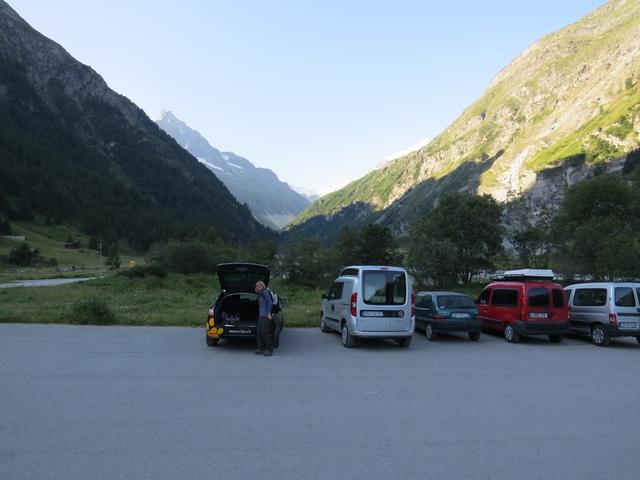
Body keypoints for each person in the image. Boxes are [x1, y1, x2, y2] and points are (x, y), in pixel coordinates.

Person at [255, 281, 274, 356]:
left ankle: (269, 349)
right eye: (257, 286)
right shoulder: (260, 294)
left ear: (263, 286)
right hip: (261, 316)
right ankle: (260, 348)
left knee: (264, 333)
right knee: (259, 332)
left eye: (260, 285)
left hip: (266, 316)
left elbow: (270, 302)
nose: (258, 287)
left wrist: (269, 313)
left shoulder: (265, 292)